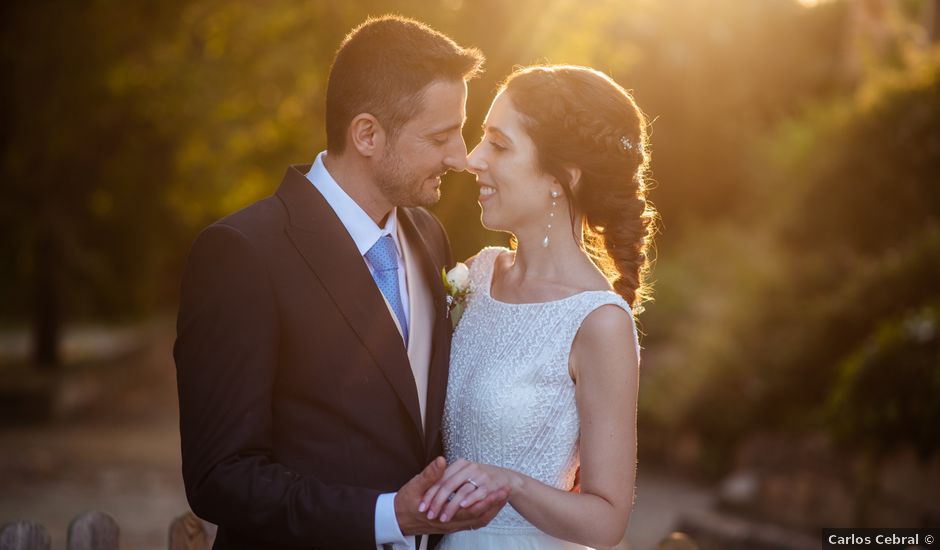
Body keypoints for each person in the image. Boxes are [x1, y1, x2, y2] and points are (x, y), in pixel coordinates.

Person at [174, 16, 508, 550]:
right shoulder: (243, 254)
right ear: (367, 134)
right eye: (440, 136)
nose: (460, 157)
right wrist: (385, 516)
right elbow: (220, 476)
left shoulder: (430, 238)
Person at [419, 65, 654, 549]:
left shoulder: (598, 322)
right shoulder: (476, 276)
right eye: (483, 140)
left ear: (561, 177)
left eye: (500, 145)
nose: (473, 160)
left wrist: (513, 483)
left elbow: (607, 521)